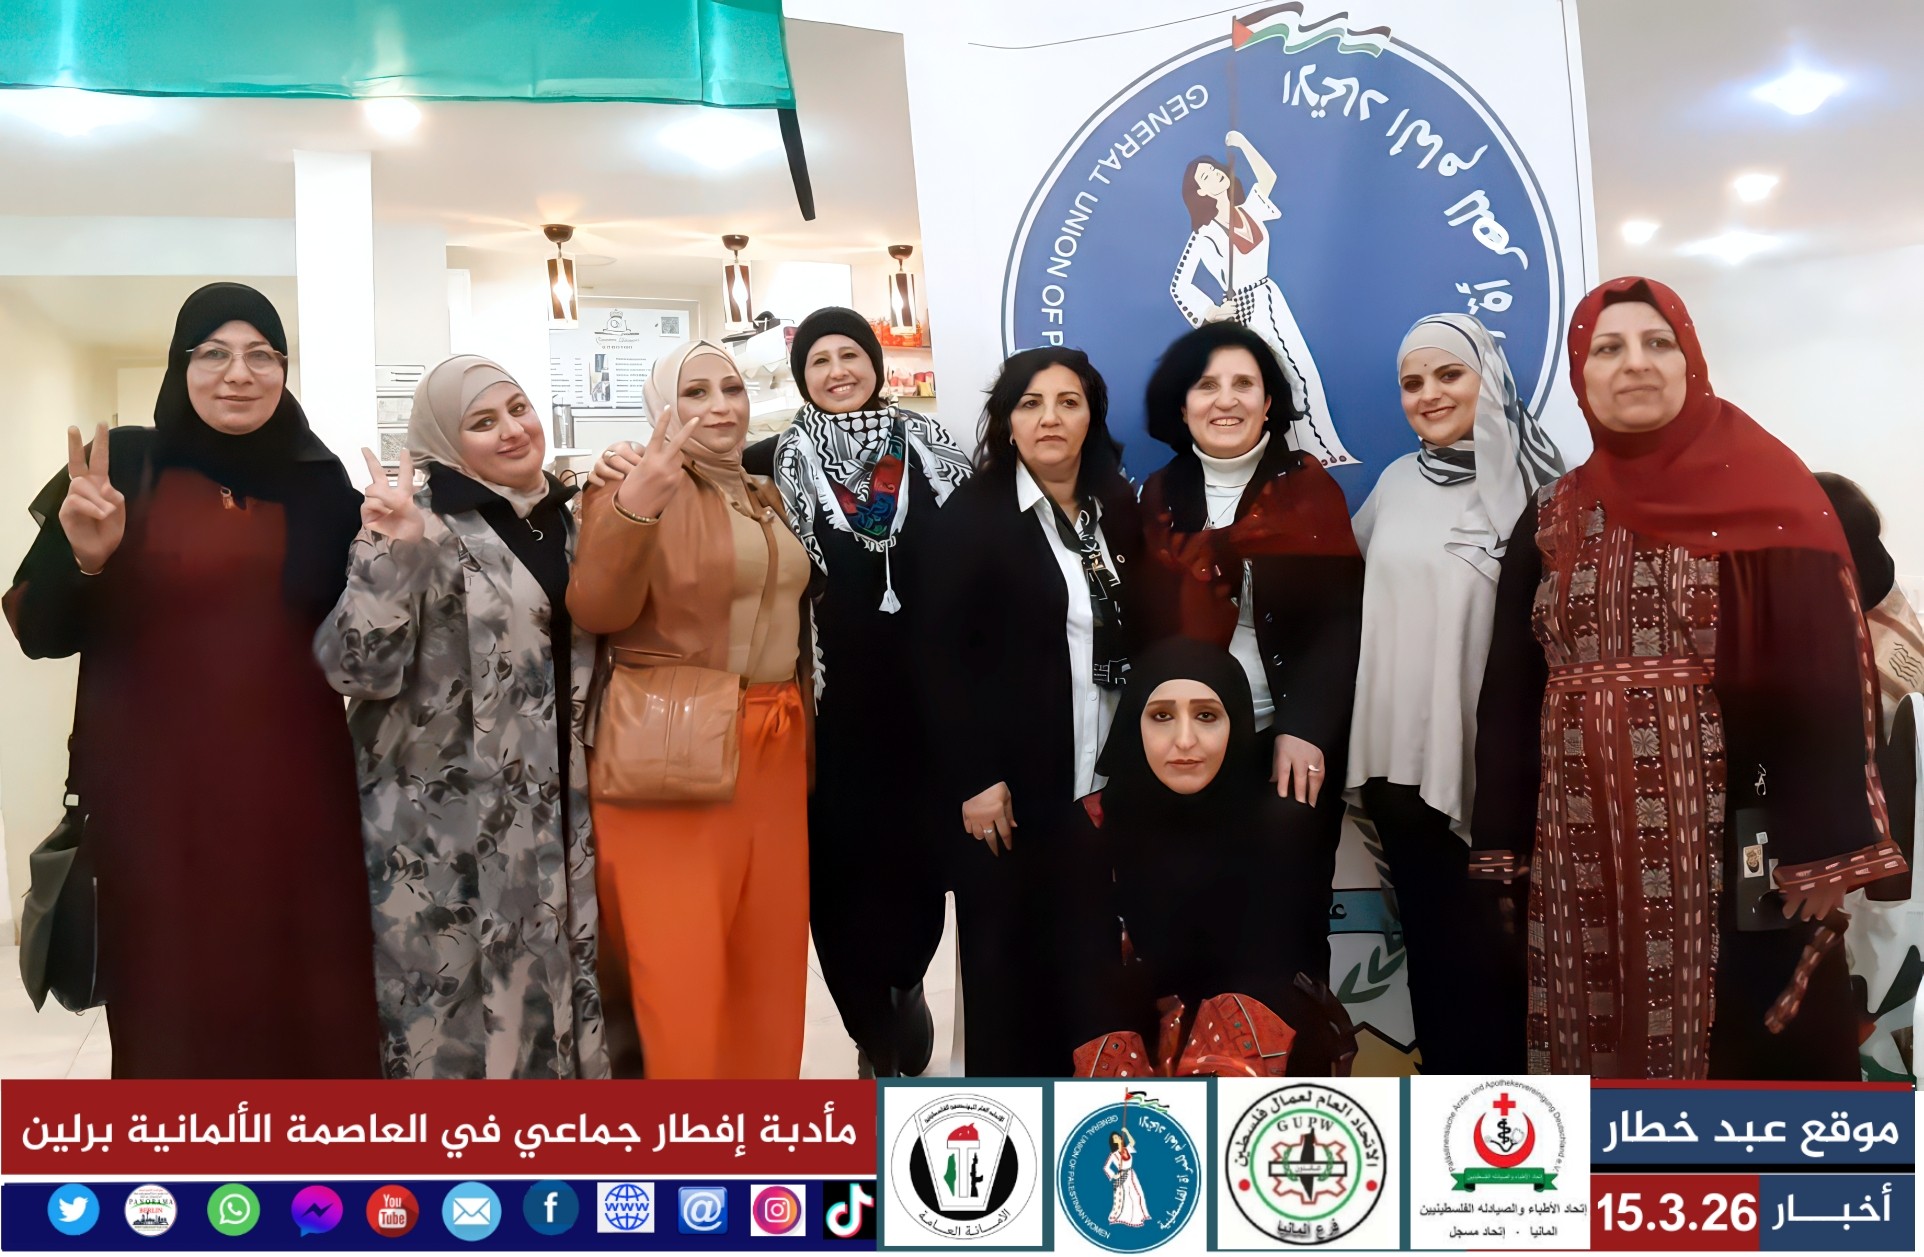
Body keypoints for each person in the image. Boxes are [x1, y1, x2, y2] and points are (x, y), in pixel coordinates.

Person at [1472, 276, 1907, 1079]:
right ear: (1581, 373)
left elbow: (1820, 681)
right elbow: (1510, 687)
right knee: (1586, 1024)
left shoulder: (1766, 493)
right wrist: (1502, 834)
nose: (1635, 363)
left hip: (1730, 828)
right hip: (1577, 834)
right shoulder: (1550, 512)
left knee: (1742, 1044)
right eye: (1608, 348)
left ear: (1690, 361)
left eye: (1657, 343)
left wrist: (1820, 843)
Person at [3, 282, 379, 1077]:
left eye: (261, 355)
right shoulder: (124, 467)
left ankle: (314, 1154)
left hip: (298, 803)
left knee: (309, 1006)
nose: (238, 373)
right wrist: (87, 561)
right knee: (172, 1011)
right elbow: (39, 631)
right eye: (213, 353)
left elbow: (367, 634)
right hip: (156, 809)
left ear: (284, 369)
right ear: (181, 366)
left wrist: (403, 549)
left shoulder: (320, 482)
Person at [313, 355, 607, 1079]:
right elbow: (354, 670)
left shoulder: (562, 521)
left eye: (518, 408)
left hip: (549, 815)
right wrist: (390, 555)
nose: (512, 430)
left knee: (546, 1007)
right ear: (446, 440)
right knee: (451, 1029)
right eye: (482, 421)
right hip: (442, 832)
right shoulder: (421, 524)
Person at [568, 339, 813, 1079]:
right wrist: (633, 506)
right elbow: (596, 608)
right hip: (674, 753)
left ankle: (762, 1127)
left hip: (774, 746)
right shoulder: (632, 484)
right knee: (680, 971)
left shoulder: (762, 491)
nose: (719, 407)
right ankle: (685, 1136)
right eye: (695, 392)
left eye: (731, 389)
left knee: (767, 961)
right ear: (661, 408)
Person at [1344, 314, 1563, 1073]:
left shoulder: (1545, 489)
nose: (1429, 394)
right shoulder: (1394, 485)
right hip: (1401, 775)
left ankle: (1525, 1134)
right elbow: (1353, 601)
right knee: (1438, 964)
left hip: (1504, 776)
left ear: (1488, 378)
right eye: (1412, 382)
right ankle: (1450, 1127)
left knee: (1514, 966)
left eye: (1449, 374)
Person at [921, 347, 1141, 1076]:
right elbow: (937, 657)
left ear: (1092, 417)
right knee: (1008, 976)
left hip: (1102, 791)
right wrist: (975, 778)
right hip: (1008, 798)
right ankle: (1009, 1126)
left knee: (1092, 974)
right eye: (1031, 403)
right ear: (1006, 421)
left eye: (1068, 402)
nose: (1050, 418)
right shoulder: (973, 517)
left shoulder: (1118, 509)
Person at [1135, 320, 1364, 993]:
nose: (1226, 399)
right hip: (1184, 746)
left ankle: (1295, 1057)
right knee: (1189, 929)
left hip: (1284, 742)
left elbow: (1341, 625)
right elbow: (1143, 631)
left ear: (1269, 403)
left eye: (1244, 383)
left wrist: (1306, 727)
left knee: (1288, 929)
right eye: (1207, 385)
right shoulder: (1157, 496)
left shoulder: (1310, 490)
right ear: (1182, 405)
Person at [772, 307, 971, 1076]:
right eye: (818, 360)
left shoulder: (932, 449)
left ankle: (905, 982)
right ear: (802, 378)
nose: (837, 371)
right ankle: (870, 1030)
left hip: (926, 707)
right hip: (831, 714)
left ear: (876, 365)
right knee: (840, 879)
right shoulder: (776, 464)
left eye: (849, 354)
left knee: (918, 870)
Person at [1074, 638, 1353, 1078]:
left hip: (1257, 1046)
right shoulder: (1100, 823)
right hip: (1138, 1041)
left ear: (1236, 721)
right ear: (1134, 723)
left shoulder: (1280, 823)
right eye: (1161, 716)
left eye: (1206, 716)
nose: (1185, 740)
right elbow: (1089, 973)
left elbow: (1281, 968)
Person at [1170, 132, 1351, 466]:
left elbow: (1268, 178)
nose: (1215, 175)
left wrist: (1242, 144)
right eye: (1205, 177)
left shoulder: (1249, 210)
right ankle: (1285, 457)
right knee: (1269, 382)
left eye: (1214, 169)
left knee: (1301, 369)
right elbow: (1179, 284)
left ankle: (1323, 450)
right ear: (1201, 193)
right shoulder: (1204, 235)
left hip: (1270, 296)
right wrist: (1212, 312)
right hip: (1243, 311)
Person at [1106, 1131, 1150, 1228]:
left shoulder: (1127, 1149)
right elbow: (1106, 1167)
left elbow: (1133, 1142)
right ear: (1113, 1142)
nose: (1117, 1138)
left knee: (1138, 1195)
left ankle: (1139, 1216)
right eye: (1115, 1138)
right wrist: (1114, 1176)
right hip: (1123, 1176)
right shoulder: (1113, 1155)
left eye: (1118, 1136)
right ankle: (1128, 1219)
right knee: (1127, 1197)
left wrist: (1126, 1132)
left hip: (1132, 1175)